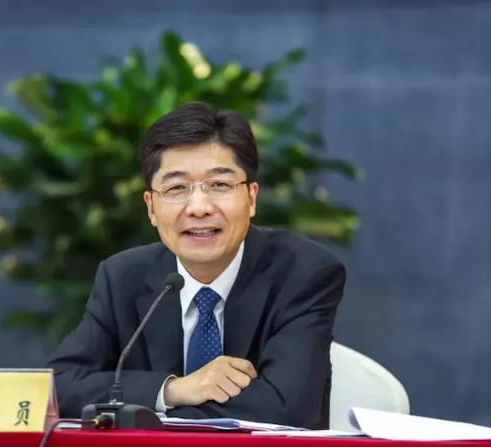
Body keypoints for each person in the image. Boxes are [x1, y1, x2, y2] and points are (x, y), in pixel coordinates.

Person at [47, 101, 347, 429]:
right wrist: (173, 390)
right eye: (177, 188)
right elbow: (58, 388)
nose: (199, 207)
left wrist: (150, 416)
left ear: (252, 199)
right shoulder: (122, 277)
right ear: (151, 207)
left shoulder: (303, 272)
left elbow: (285, 410)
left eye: (219, 185)